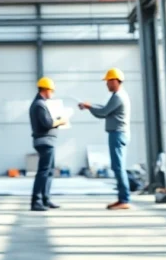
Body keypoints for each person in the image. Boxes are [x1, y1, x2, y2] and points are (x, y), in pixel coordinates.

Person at [79, 68, 132, 210]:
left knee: (118, 167)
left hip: (117, 134)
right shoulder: (118, 95)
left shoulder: (118, 97)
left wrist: (89, 107)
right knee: (118, 167)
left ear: (115, 81)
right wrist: (89, 106)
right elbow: (105, 108)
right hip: (118, 133)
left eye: (108, 81)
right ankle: (122, 198)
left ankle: (124, 199)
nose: (106, 84)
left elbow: (103, 112)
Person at [29, 77, 67, 211]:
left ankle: (45, 199)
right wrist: (60, 121)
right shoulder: (39, 104)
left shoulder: (40, 103)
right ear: (46, 90)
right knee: (43, 172)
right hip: (45, 141)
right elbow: (47, 123)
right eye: (52, 90)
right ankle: (36, 201)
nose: (52, 93)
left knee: (49, 171)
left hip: (47, 141)